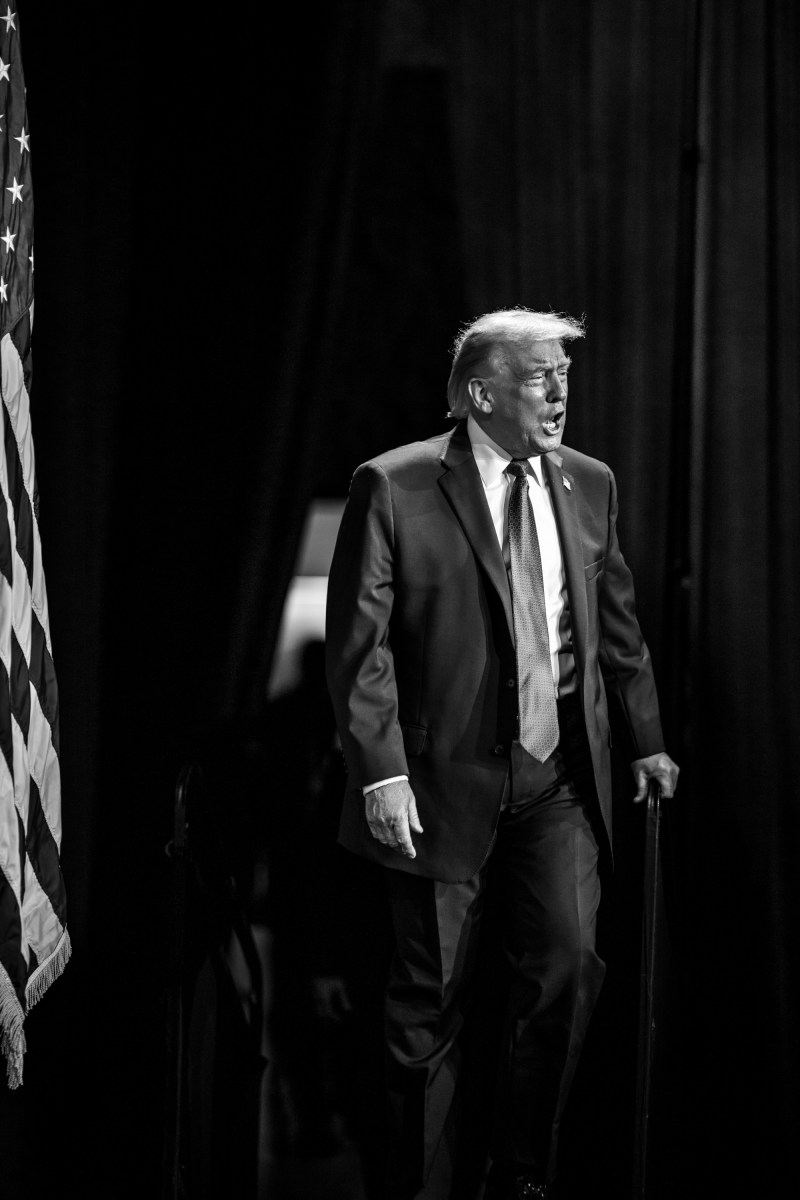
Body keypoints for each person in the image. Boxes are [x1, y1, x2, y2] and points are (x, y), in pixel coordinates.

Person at [325, 308, 679, 1200]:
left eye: (564, 374)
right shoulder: (395, 484)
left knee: (566, 969)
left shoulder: (587, 484)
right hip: (436, 788)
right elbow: (357, 646)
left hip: (557, 780)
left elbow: (618, 629)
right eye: (538, 377)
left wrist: (645, 743)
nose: (559, 393)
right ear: (482, 393)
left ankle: (520, 1178)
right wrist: (381, 771)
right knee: (426, 1011)